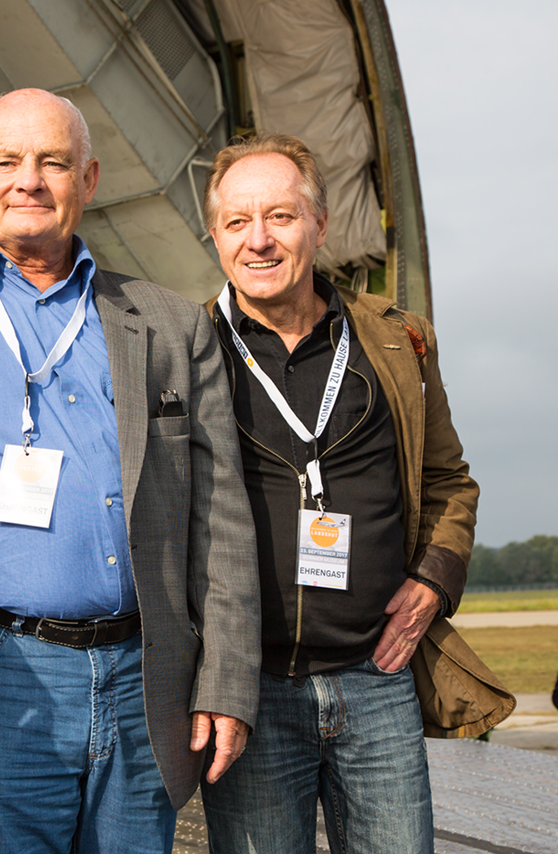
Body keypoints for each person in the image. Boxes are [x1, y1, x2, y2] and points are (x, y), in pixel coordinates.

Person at [0, 88, 261, 854]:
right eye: (7, 161)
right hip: (0, 675)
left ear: (89, 180)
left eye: (53, 162)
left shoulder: (170, 323)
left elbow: (221, 516)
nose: (29, 179)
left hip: (145, 676)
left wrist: (227, 680)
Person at [199, 133, 479, 853]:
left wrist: (433, 581)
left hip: (375, 678)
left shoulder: (396, 340)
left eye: (281, 218)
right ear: (215, 234)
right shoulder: (187, 347)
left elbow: (449, 481)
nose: (258, 241)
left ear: (319, 225)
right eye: (237, 222)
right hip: (249, 691)